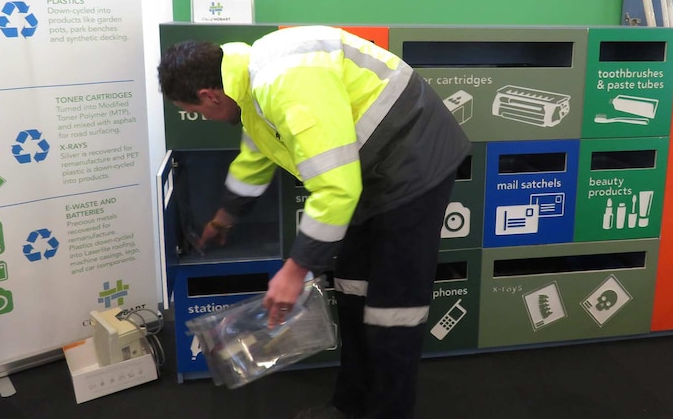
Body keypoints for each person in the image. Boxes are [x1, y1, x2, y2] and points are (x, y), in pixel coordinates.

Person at [157, 25, 470, 419]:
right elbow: (256, 155)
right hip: (368, 169)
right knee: (353, 289)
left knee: (393, 311)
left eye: (200, 111)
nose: (204, 117)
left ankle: (389, 412)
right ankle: (350, 404)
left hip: (413, 159)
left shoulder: (283, 83)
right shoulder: (250, 85)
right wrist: (226, 215)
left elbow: (337, 188)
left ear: (209, 94)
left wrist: (294, 270)